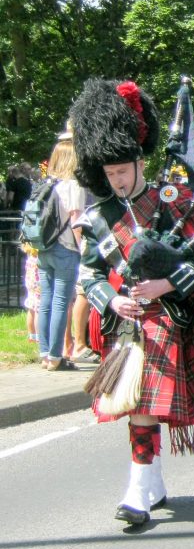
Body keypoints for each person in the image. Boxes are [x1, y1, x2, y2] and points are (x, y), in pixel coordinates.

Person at [72, 78, 194, 526]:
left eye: (123, 172)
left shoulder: (170, 201)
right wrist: (111, 301)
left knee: (145, 403)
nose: (117, 181)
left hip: (165, 319)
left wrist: (163, 287)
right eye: (109, 175)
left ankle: (137, 487)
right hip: (125, 325)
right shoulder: (101, 216)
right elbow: (88, 275)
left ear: (138, 160)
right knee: (135, 405)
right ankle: (152, 481)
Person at [36, 131, 85, 370]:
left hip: (44, 247)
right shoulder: (73, 186)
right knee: (61, 301)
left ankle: (45, 353)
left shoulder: (46, 184)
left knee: (44, 300)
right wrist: (83, 250)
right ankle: (56, 356)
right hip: (66, 248)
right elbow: (76, 222)